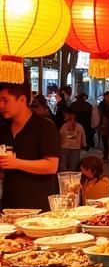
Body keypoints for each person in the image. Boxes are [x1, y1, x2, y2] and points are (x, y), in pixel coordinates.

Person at [0, 80, 60, 211]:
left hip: (38, 206)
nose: (1, 105)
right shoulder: (3, 131)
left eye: (5, 100)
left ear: (22, 100)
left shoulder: (44, 127)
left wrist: (15, 163)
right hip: (8, 206)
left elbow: (51, 166)